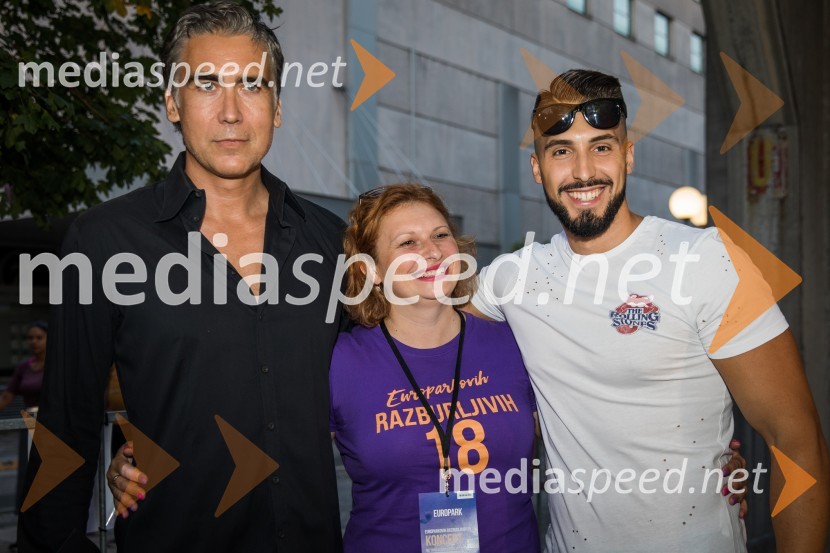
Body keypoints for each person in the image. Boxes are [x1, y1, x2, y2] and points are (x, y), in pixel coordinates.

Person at [19, 3, 345, 551]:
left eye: (252, 84)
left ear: (277, 105)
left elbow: (393, 375)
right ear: (173, 102)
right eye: (206, 85)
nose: (232, 112)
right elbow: (64, 429)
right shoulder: (103, 241)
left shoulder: (333, 241)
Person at [467, 69, 830, 552]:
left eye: (601, 146)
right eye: (560, 151)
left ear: (628, 155)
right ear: (537, 168)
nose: (582, 172)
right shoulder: (509, 280)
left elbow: (795, 441)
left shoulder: (705, 260)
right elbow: (418, 327)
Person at [0, 321, 47, 412]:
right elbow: (6, 398)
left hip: (55, 420)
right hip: (31, 421)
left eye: (39, 338)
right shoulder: (23, 367)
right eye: (30, 338)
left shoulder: (58, 365)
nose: (34, 341)